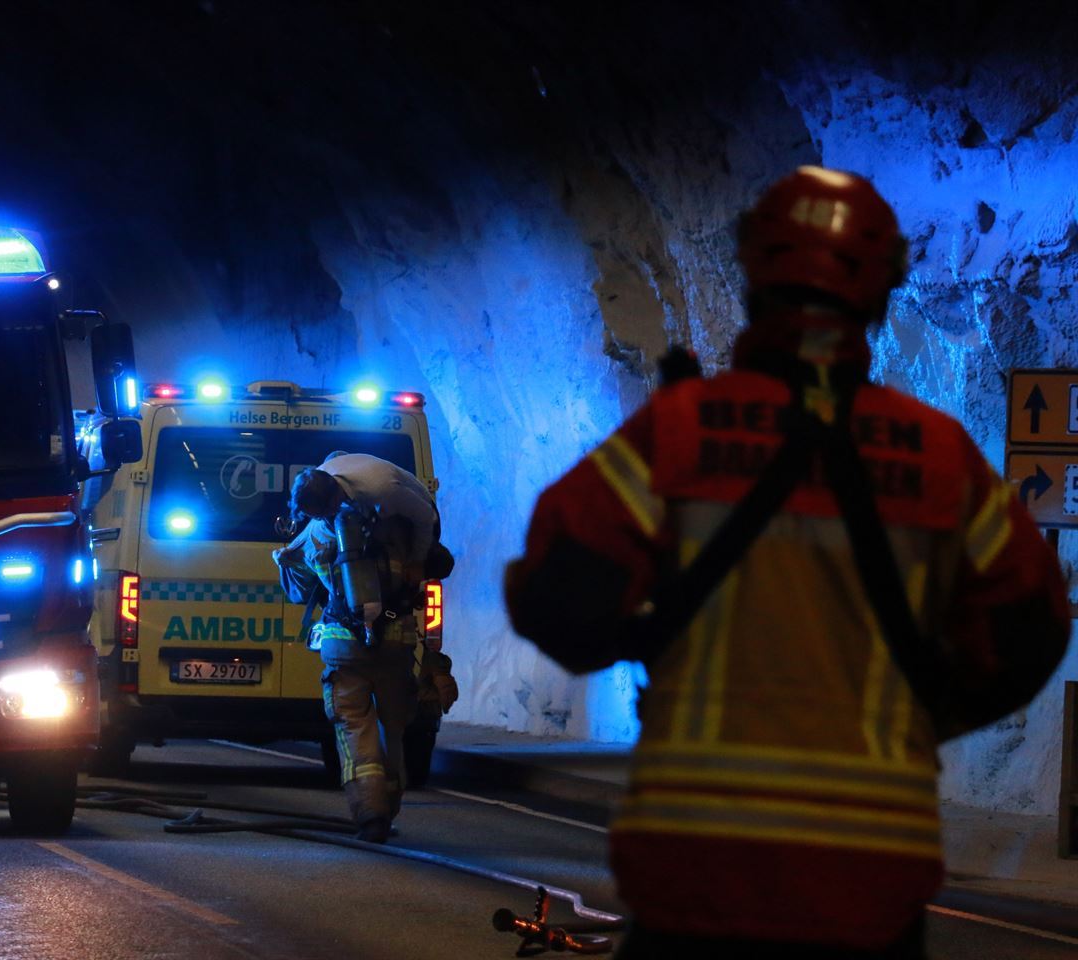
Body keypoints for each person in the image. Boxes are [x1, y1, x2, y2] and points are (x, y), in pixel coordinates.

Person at [505, 166, 1070, 959]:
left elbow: (557, 596)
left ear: (754, 275)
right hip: (867, 891)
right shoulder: (940, 459)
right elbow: (1031, 626)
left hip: (695, 877)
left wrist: (650, 639)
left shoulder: (681, 433)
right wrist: (925, 716)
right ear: (880, 289)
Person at [274, 453, 451, 842]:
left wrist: (284, 559)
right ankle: (390, 803)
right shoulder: (394, 526)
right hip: (397, 640)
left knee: (353, 724)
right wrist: (415, 563)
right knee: (394, 728)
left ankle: (371, 813)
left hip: (344, 646)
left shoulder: (318, 533)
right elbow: (432, 545)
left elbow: (297, 589)